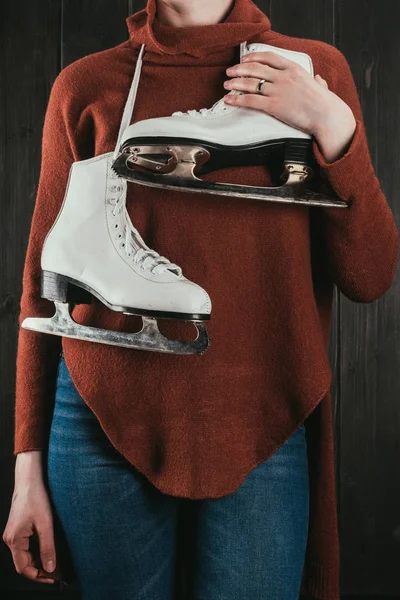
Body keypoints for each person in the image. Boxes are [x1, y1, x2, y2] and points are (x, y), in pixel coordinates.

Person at [3, 0, 398, 599]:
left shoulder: (310, 72)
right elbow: (46, 280)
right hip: (98, 420)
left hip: (261, 417)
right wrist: (26, 463)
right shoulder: (87, 84)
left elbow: (370, 276)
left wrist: (332, 125)